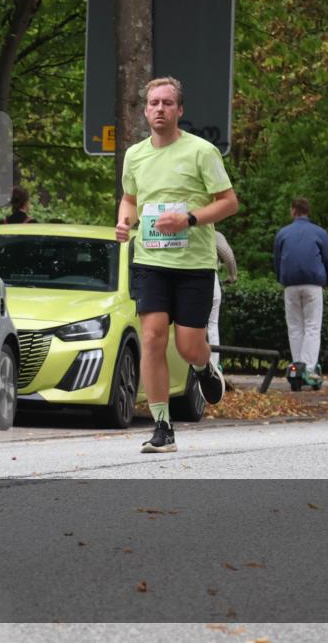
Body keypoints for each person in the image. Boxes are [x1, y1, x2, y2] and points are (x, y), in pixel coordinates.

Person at [115, 76, 239, 454]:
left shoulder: (202, 152)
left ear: (179, 110)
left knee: (188, 345)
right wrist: (125, 221)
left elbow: (229, 202)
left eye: (167, 103)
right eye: (153, 103)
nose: (160, 109)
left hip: (194, 263)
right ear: (146, 110)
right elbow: (130, 199)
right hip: (150, 259)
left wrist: (189, 219)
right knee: (152, 337)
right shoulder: (135, 155)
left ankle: (204, 368)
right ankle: (162, 426)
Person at [273, 197, 328, 386]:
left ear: (293, 210)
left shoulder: (282, 234)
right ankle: (309, 369)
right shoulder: (320, 233)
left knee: (294, 327)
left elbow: (277, 260)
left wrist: (281, 278)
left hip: (290, 285)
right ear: (308, 211)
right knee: (312, 326)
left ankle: (297, 367)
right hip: (313, 284)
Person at [208, 230, 238, 370]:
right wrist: (232, 276)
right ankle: (213, 366)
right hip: (209, 277)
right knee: (212, 325)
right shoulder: (213, 234)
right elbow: (228, 256)